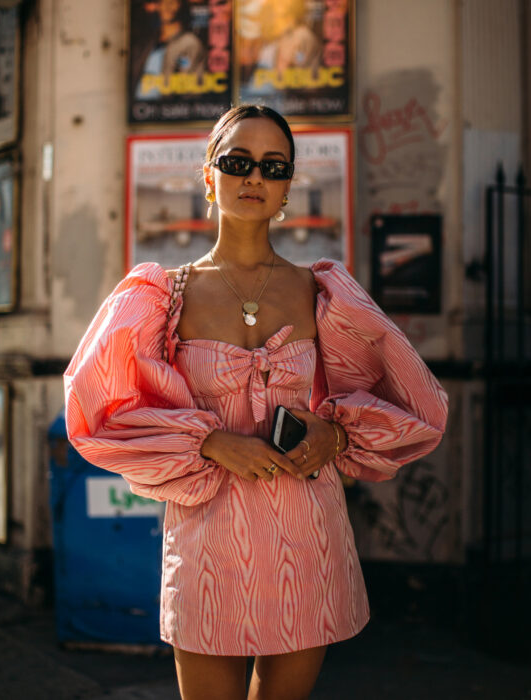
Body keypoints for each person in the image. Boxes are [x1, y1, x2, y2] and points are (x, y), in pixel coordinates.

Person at [64, 104, 448, 700]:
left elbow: (415, 403)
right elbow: (98, 410)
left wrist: (337, 436)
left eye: (273, 167)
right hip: (208, 542)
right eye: (237, 161)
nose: (254, 178)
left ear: (288, 186)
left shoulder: (322, 292)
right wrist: (212, 441)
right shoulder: (163, 296)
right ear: (209, 176)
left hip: (307, 537)